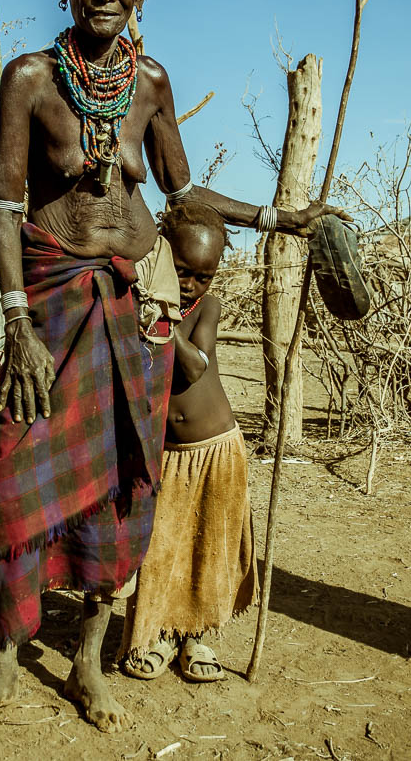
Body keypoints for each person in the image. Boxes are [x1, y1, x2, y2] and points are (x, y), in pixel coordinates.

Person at [0, 0, 346, 736]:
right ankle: (5, 665)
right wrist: (14, 318)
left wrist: (278, 216)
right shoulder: (30, 79)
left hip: (132, 306)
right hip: (49, 308)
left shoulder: (152, 83)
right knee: (16, 477)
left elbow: (182, 191)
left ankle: (86, 661)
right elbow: (6, 206)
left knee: (123, 484)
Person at [121, 203, 257, 681]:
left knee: (206, 548)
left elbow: (195, 365)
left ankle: (195, 636)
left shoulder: (204, 309)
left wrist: (160, 316)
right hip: (166, 452)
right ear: (161, 255)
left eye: (204, 275)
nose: (190, 284)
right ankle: (155, 631)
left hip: (216, 447)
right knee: (161, 545)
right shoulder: (136, 305)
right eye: (180, 271)